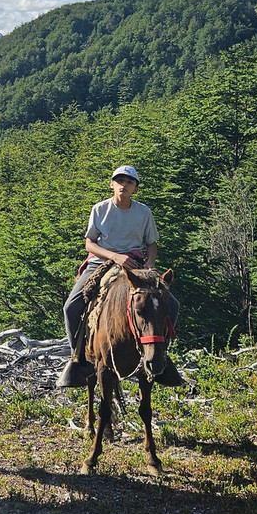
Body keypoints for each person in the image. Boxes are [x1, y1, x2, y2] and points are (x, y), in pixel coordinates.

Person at [56, 165, 185, 389]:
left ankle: (160, 354)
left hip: (135, 263)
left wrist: (151, 264)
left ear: (135, 188)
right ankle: (79, 358)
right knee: (71, 307)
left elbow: (151, 243)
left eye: (129, 182)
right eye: (119, 180)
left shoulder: (143, 212)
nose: (123, 185)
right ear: (112, 184)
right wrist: (115, 256)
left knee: (171, 304)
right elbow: (90, 243)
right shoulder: (100, 209)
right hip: (101, 262)